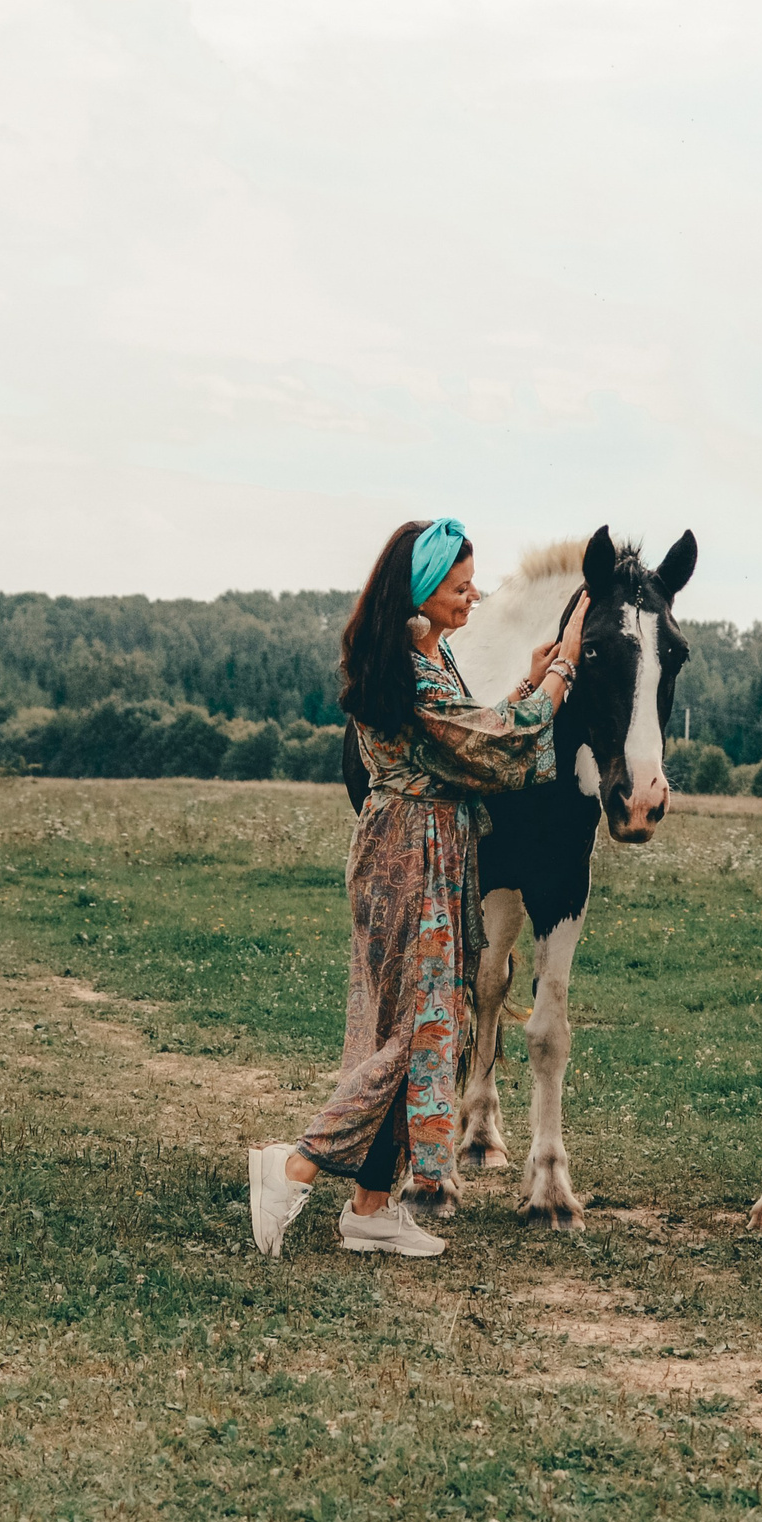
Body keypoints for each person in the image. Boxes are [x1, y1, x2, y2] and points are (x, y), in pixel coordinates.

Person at [248, 519, 590, 1259]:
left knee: (430, 1029)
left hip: (425, 852)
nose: (472, 599)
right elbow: (495, 747)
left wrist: (529, 679)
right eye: (460, 588)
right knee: (416, 1035)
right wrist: (560, 673)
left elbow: (475, 724)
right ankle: (294, 1165)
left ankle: (371, 1206)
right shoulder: (411, 670)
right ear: (424, 590)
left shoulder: (424, 659)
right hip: (409, 858)